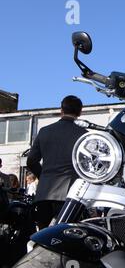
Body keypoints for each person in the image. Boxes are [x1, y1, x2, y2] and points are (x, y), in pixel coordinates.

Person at [27, 95, 87, 229]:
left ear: (62, 109)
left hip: (44, 192)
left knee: (42, 236)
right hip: (71, 193)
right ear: (79, 112)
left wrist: (43, 176)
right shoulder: (83, 135)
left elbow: (31, 161)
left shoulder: (44, 131)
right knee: (66, 235)